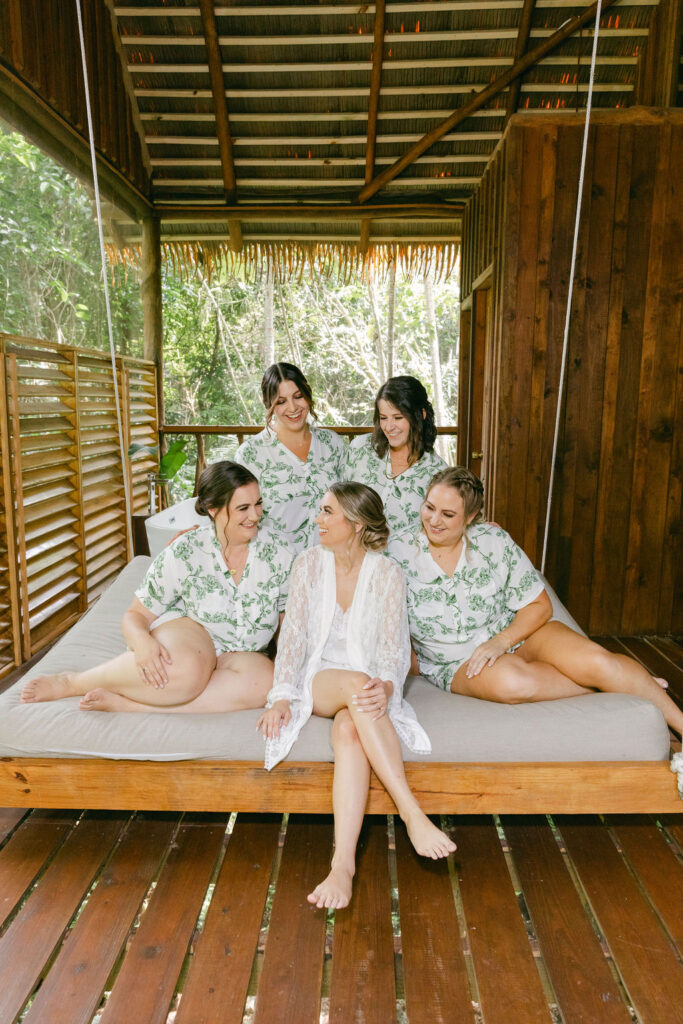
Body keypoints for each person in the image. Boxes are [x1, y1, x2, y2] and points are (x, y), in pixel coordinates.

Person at [257, 481, 456, 911]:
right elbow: (291, 640)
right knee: (353, 687)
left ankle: (341, 865)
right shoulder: (307, 565)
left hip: (366, 688)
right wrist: (280, 697)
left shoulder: (387, 574)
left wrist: (386, 685)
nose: (318, 520)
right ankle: (411, 813)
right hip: (320, 680)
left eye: (328, 512)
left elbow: (394, 647)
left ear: (357, 523)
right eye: (321, 511)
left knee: (350, 731)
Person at [388, 466, 682, 736]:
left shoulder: (493, 541)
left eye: (448, 515)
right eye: (429, 507)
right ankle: (629, 686)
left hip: (513, 634)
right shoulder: (396, 551)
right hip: (456, 659)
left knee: (601, 662)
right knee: (514, 684)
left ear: (470, 518)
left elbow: (540, 605)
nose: (433, 520)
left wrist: (501, 641)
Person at [21, 462, 293, 714]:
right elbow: (135, 616)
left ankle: (131, 707)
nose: (255, 515)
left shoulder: (279, 555)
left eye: (258, 504)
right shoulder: (186, 550)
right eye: (243, 508)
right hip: (194, 637)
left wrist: (287, 675)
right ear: (213, 509)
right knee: (188, 671)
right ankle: (73, 681)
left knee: (264, 683)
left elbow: (284, 624)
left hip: (244, 654)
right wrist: (143, 644)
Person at [234, 362, 346, 554]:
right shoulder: (250, 455)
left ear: (308, 394)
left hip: (331, 563)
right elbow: (234, 515)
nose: (293, 407)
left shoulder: (332, 444)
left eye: (298, 396)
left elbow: (353, 505)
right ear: (269, 405)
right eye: (281, 401)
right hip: (276, 567)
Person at [345, 375, 447, 536]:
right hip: (356, 556)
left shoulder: (438, 472)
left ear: (421, 414)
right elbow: (337, 501)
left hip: (407, 559)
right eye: (383, 418)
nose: (389, 427)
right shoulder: (360, 448)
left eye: (398, 417)